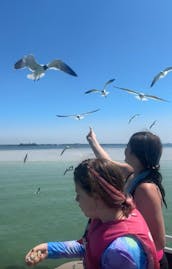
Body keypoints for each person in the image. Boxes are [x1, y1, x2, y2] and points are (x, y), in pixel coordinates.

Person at [25, 158, 159, 269]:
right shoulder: (118, 212)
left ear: (96, 197)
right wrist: (48, 249)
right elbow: (88, 245)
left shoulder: (120, 252)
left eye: (79, 194)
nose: (76, 199)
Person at [86, 128, 168, 269]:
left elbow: (159, 242)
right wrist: (92, 140)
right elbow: (107, 163)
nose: (124, 150)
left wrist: (120, 246)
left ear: (135, 153)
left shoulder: (145, 189)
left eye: (127, 146)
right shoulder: (132, 174)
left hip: (146, 262)